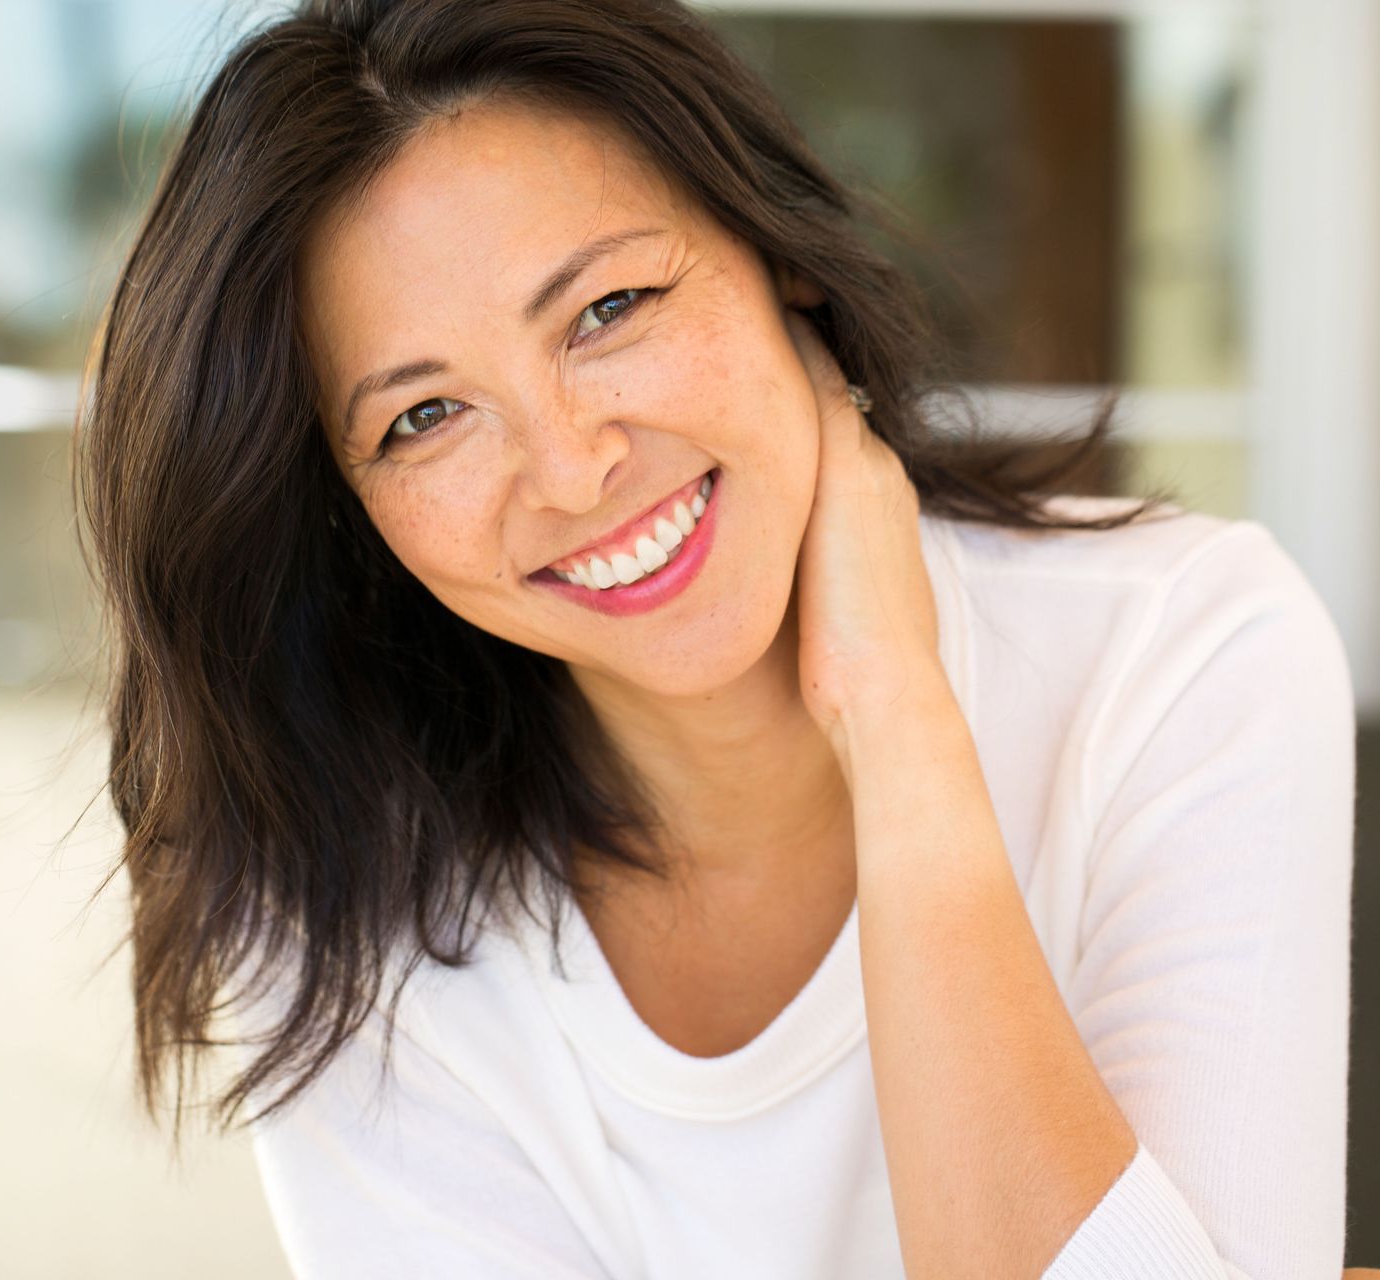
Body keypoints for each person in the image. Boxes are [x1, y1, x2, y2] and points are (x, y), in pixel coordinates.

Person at [70, 0, 1356, 1274]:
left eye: (608, 308)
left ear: (776, 249)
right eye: (424, 418)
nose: (570, 472)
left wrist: (900, 724)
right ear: (351, 509)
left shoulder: (1179, 653)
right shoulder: (338, 893)